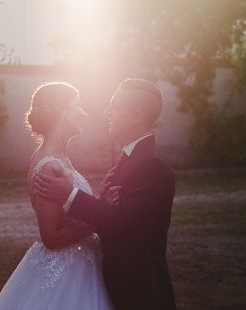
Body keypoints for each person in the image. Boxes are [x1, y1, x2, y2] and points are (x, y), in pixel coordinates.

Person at [33, 78, 176, 310]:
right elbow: (114, 214)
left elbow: (121, 223)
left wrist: (70, 195)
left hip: (141, 293)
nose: (107, 112)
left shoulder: (152, 166)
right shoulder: (132, 159)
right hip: (120, 287)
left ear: (136, 116)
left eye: (115, 106)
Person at [0, 82, 116, 310]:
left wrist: (98, 202)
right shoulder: (49, 165)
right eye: (78, 105)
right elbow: (51, 237)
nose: (84, 112)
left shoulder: (59, 159)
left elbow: (70, 213)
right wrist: (100, 214)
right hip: (67, 273)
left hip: (81, 265)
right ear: (60, 111)